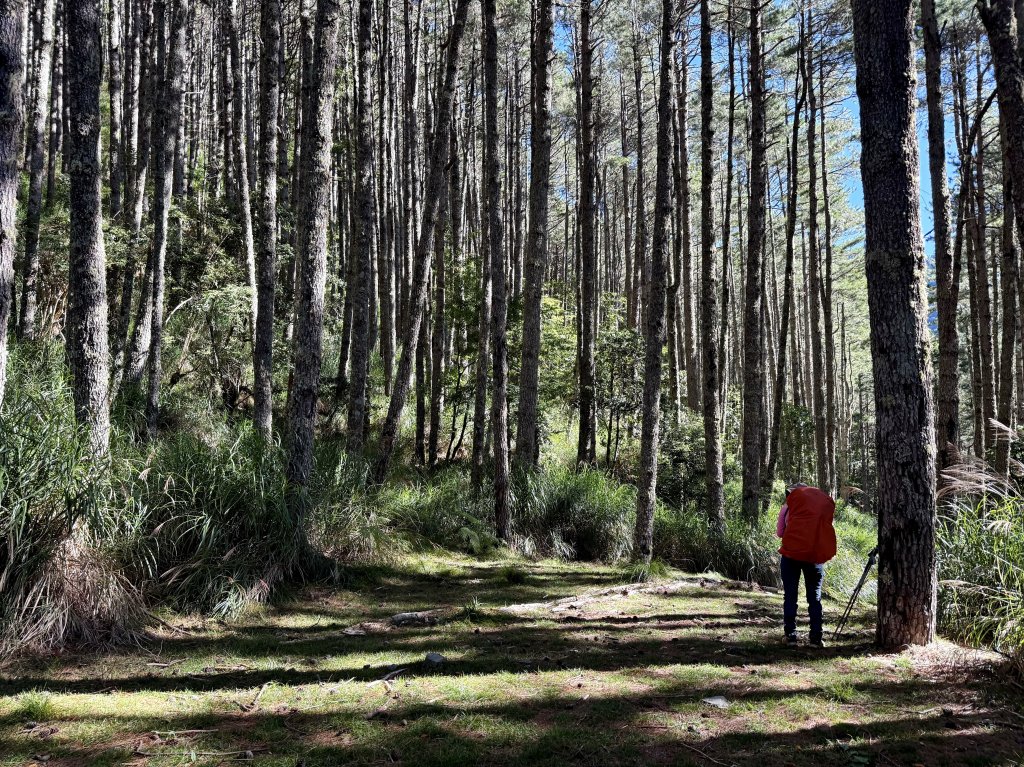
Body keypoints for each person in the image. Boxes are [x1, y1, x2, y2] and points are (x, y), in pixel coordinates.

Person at [776, 482, 837, 647]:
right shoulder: (818, 509)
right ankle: (816, 638)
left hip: (791, 555)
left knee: (790, 596)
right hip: (814, 557)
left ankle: (791, 636)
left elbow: (780, 532)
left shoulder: (787, 508)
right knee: (814, 598)